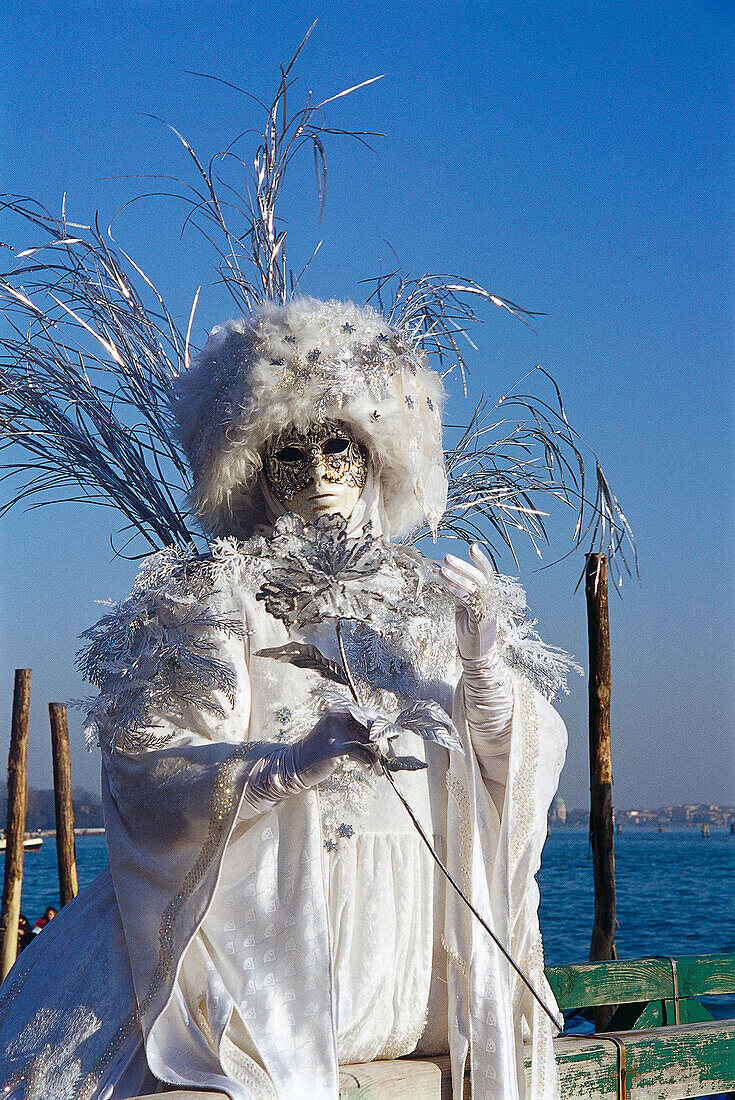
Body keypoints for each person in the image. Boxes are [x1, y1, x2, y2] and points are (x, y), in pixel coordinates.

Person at [0, 298, 570, 1099]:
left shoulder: (429, 604)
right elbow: (144, 774)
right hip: (267, 948)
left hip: (418, 965)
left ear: (378, 455)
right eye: (289, 453)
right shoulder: (212, 602)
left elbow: (518, 771)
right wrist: (277, 768)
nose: (318, 472)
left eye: (340, 445)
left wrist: (482, 670)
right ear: (248, 465)